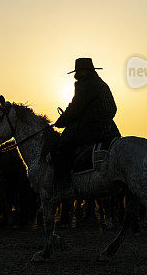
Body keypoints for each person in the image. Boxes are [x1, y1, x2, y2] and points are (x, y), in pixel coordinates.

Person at [51, 57, 121, 195]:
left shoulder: (85, 85)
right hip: (109, 127)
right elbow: (113, 108)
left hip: (90, 127)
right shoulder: (101, 84)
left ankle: (64, 185)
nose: (78, 74)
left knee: (61, 146)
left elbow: (76, 107)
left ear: (83, 71)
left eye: (80, 71)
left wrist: (61, 121)